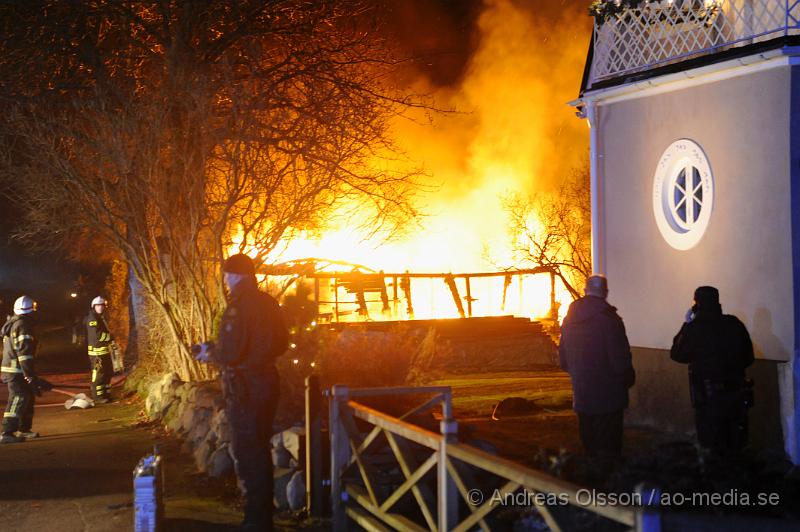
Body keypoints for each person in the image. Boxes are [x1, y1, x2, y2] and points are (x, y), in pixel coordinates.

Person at [194, 254, 288, 531]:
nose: (225, 280)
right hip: (268, 383)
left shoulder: (238, 307)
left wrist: (210, 353)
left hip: (246, 389)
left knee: (248, 452)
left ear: (235, 275)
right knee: (260, 447)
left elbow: (231, 351)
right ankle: (262, 517)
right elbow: (282, 342)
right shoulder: (269, 302)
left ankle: (256, 521)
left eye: (226, 275)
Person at [670, 286, 754, 453]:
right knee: (735, 446)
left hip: (708, 400)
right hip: (736, 397)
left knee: (712, 449)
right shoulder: (734, 324)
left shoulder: (694, 329)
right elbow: (749, 358)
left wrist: (687, 324)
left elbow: (677, 354)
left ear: (697, 304)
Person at [559, 275, 635, 456]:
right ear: (606, 293)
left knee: (589, 445)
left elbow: (563, 359)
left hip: (583, 395)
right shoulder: (610, 320)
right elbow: (619, 359)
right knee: (609, 447)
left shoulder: (569, 320)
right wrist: (627, 378)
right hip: (609, 397)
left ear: (585, 291)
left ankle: (590, 478)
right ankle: (608, 480)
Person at [1, 295, 40, 443]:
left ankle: (24, 429)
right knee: (18, 398)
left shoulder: (14, 323)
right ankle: (7, 432)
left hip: (16, 370)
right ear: (31, 310)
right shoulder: (23, 325)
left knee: (28, 397)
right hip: (16, 371)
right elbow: (24, 354)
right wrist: (29, 375)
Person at [86, 296, 114, 403]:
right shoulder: (93, 319)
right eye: (98, 306)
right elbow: (97, 336)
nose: (100, 308)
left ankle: (105, 394)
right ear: (94, 307)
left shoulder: (100, 317)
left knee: (107, 373)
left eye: (102, 306)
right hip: (97, 352)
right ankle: (98, 396)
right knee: (99, 374)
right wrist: (110, 337)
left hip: (104, 351)